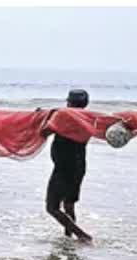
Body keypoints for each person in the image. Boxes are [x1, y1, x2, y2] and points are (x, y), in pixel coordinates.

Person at [40, 89, 94, 243]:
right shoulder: (88, 119)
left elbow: (44, 132)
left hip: (63, 169)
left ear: (69, 103)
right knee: (69, 205)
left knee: (52, 208)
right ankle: (68, 238)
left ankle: (82, 235)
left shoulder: (63, 118)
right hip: (79, 167)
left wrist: (49, 117)